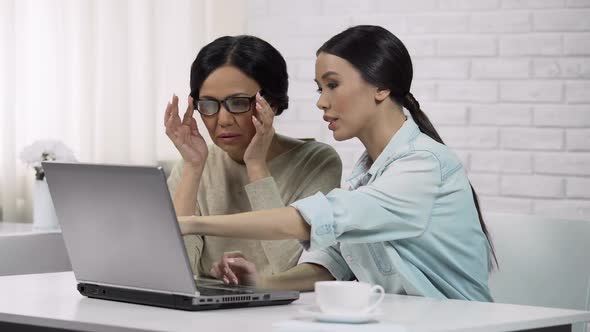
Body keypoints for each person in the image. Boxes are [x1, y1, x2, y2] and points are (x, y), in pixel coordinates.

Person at [178, 25, 496, 301]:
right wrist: (261, 284)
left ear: (381, 86)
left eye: (332, 85)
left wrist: (191, 223)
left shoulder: (423, 166)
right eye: (320, 88)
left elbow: (311, 220)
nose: (321, 100)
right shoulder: (367, 176)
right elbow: (333, 264)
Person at [164, 35, 342, 279]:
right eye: (209, 104)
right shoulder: (195, 164)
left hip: (282, 309)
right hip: (206, 311)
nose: (223, 120)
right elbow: (173, 270)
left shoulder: (317, 162)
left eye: (238, 103)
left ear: (273, 104)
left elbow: (289, 269)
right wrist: (193, 168)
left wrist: (256, 165)